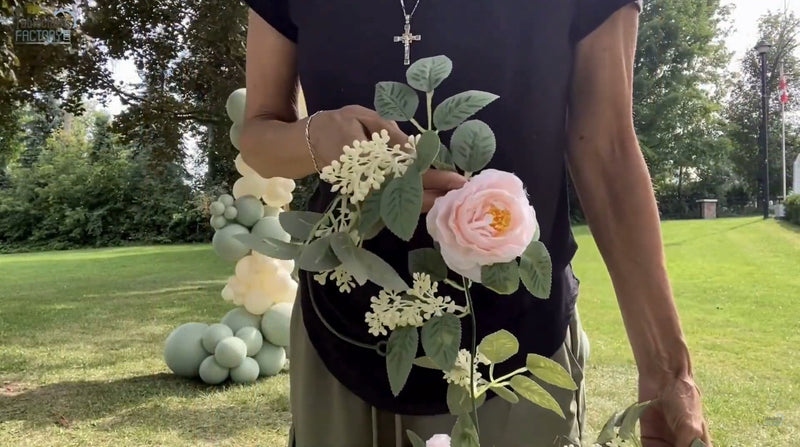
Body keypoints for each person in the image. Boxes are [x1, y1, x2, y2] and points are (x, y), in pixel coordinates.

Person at [239, 1, 712, 446]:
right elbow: (257, 134)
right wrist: (314, 138)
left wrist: (670, 372)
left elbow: (607, 149)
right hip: (339, 336)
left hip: (519, 353)